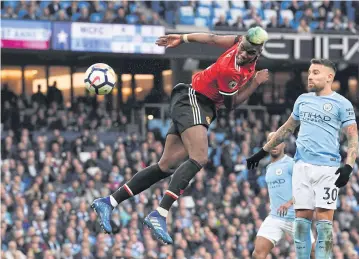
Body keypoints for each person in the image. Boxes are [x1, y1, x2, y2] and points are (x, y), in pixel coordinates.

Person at [91, 27, 270, 244]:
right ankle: (160, 213)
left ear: (257, 53)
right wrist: (255, 83)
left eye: (248, 52)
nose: (242, 53)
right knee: (200, 157)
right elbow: (231, 104)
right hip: (194, 100)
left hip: (197, 105)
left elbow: (212, 38)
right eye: (242, 49)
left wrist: (183, 38)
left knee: (166, 166)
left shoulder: (241, 43)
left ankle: (109, 201)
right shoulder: (229, 70)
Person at [247, 59, 358, 258]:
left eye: (316, 72)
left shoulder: (342, 103)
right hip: (301, 166)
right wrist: (263, 151)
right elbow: (287, 128)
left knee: (324, 224)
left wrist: (348, 166)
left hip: (327, 169)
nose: (310, 76)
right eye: (309, 72)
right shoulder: (303, 100)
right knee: (301, 224)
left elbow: (353, 137)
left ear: (329, 77)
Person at [252, 132, 315, 259]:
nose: (274, 145)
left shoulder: (291, 164)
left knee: (314, 254)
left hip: (295, 218)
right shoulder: (268, 168)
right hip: (275, 217)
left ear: (284, 145)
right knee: (258, 253)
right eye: (271, 142)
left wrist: (289, 203)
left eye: (278, 141)